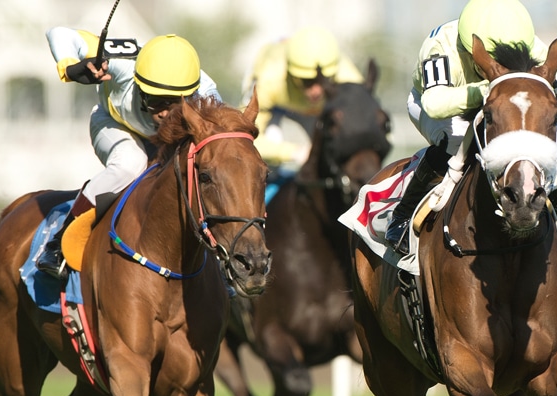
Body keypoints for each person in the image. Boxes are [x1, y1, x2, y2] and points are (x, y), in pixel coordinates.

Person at [385, 0, 557, 264]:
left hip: (500, 108)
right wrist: (486, 91)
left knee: (541, 138)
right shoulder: (441, 46)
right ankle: (403, 216)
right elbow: (435, 104)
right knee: (456, 140)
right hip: (437, 106)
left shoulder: (530, 44)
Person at [36, 29, 221, 279]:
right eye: (155, 101)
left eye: (174, 104)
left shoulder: (207, 95)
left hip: (168, 140)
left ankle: (218, 265)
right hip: (114, 123)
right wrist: (70, 67)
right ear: (139, 86)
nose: (164, 113)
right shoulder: (121, 65)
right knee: (130, 164)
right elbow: (59, 33)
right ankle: (58, 244)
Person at [241, 26, 365, 177]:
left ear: (334, 73)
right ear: (290, 72)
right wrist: (293, 152)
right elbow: (245, 138)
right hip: (278, 109)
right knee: (269, 154)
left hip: (321, 111)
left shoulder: (349, 78)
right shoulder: (269, 78)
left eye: (323, 80)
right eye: (307, 81)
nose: (316, 91)